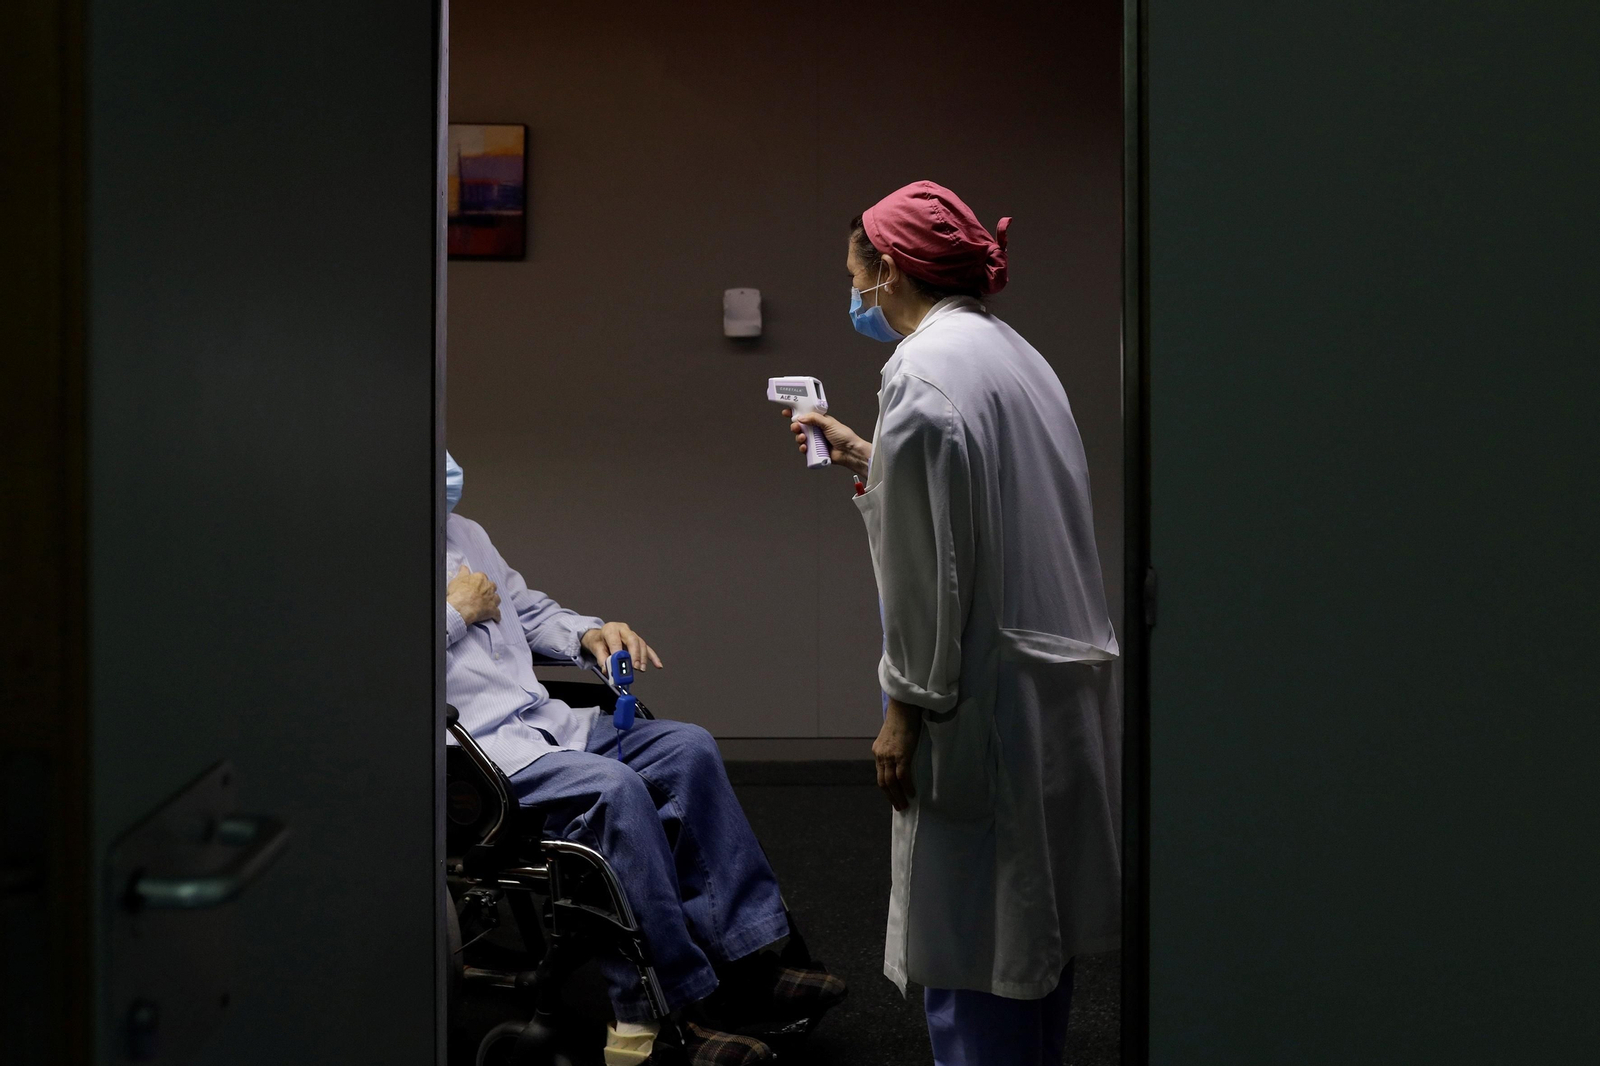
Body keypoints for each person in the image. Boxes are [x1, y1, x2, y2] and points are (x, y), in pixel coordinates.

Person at [779, 181, 1121, 1066]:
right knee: (1032, 937)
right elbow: (978, 505)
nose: (855, 295)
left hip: (980, 696)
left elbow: (929, 570)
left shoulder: (921, 369)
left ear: (888, 269)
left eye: (853, 277)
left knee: (974, 938)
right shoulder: (1011, 352)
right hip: (1052, 681)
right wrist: (871, 455)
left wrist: (905, 708)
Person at [441, 452, 844, 1065]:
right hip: (478, 758)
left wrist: (587, 634)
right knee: (616, 790)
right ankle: (665, 1012)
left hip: (545, 726)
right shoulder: (354, 558)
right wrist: (455, 612)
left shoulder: (465, 532)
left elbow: (528, 610)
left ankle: (745, 963)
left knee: (689, 748)